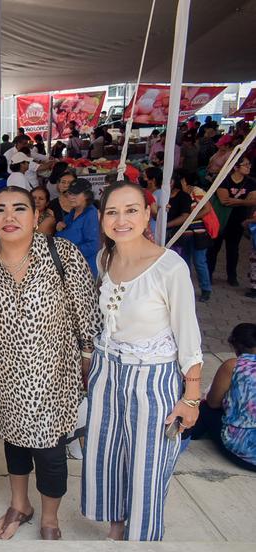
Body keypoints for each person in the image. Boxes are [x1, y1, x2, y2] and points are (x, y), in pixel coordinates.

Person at [0, 186, 98, 541]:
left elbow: (85, 315)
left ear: (36, 216)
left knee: (50, 451)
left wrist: (87, 361)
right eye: (0, 210)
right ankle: (19, 504)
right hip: (3, 374)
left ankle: (51, 517)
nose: (9, 218)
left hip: (52, 376)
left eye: (19, 209)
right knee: (14, 441)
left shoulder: (63, 255)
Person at [83, 182, 203, 541]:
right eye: (112, 212)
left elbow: (189, 338)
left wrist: (192, 397)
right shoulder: (106, 258)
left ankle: (142, 538)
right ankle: (117, 529)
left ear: (148, 213)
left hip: (153, 378)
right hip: (108, 372)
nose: (121, 219)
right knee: (108, 452)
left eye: (131, 210)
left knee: (148, 465)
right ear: (102, 218)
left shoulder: (170, 267)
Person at [184, 323, 256, 471]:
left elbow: (213, 402)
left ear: (236, 347)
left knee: (204, 408)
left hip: (246, 451)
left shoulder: (233, 365)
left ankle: (186, 433)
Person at [208, 157, 256, 287]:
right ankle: (209, 274)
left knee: (233, 249)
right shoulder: (223, 180)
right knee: (214, 248)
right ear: (236, 167)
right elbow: (224, 200)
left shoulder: (251, 182)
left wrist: (237, 201)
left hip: (238, 220)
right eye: (245, 165)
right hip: (221, 219)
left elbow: (254, 200)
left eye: (249, 164)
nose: (249, 167)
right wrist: (244, 201)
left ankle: (232, 276)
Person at [167, 171, 213, 302]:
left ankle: (206, 290)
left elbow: (207, 209)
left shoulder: (195, 191)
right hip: (182, 233)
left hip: (198, 232)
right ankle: (186, 289)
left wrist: (189, 219)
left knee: (199, 262)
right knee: (184, 262)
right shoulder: (170, 194)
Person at [57, 178, 99, 275]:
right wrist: (59, 228)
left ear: (87, 195)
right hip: (69, 268)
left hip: (84, 270)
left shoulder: (91, 215)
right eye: (70, 193)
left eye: (75, 194)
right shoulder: (72, 213)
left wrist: (68, 253)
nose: (71, 197)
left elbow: (93, 245)